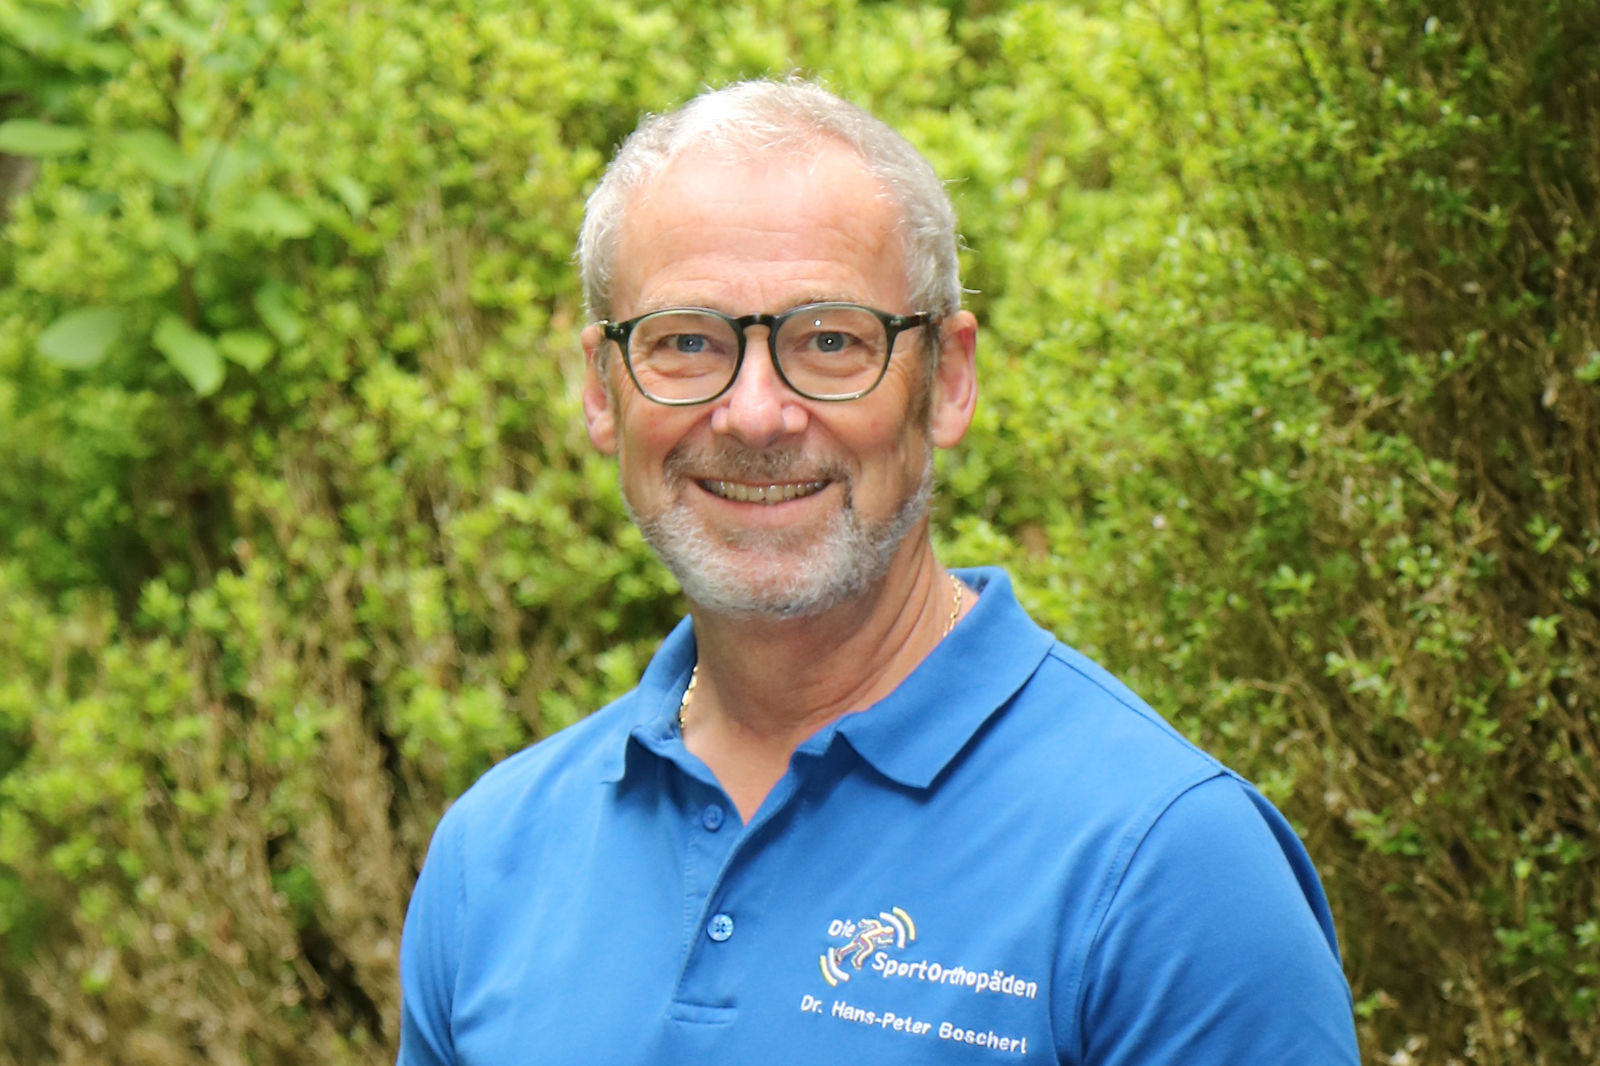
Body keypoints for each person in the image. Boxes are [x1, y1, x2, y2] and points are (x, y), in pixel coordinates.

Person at [398, 79, 1359, 1065]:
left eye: (829, 340)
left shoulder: (1169, 866)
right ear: (603, 390)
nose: (754, 415)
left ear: (947, 379)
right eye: (686, 341)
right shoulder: (492, 858)